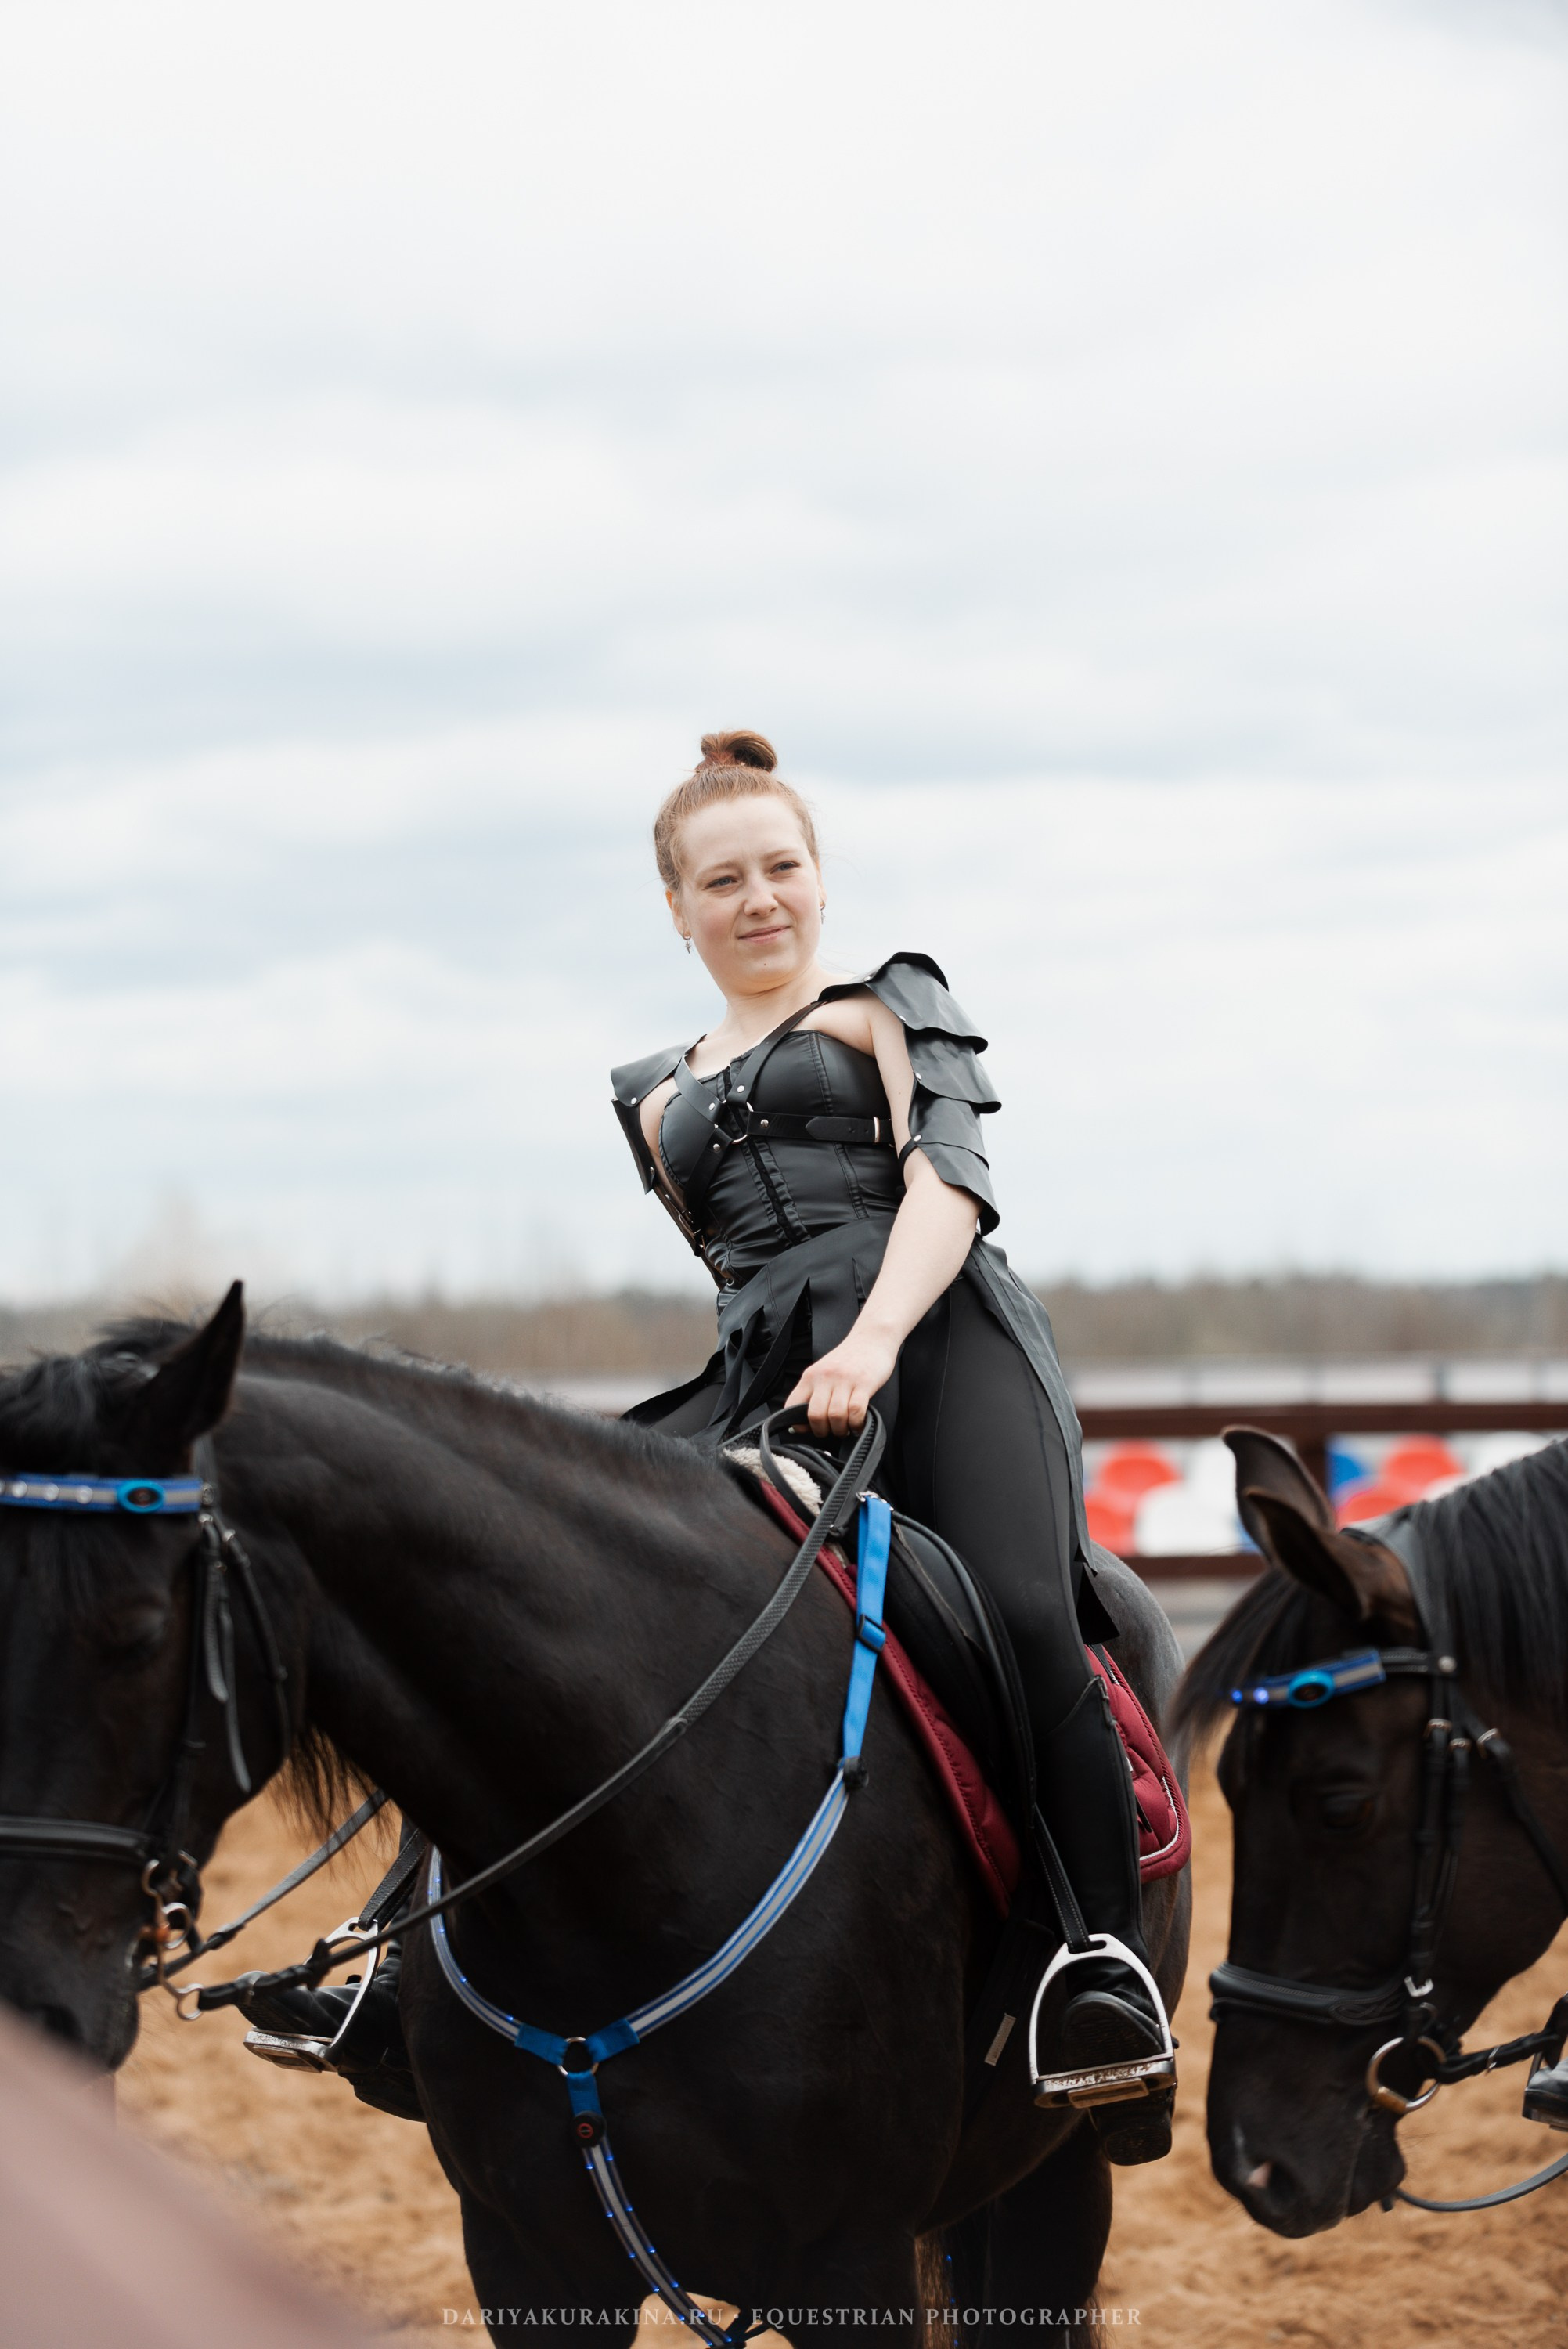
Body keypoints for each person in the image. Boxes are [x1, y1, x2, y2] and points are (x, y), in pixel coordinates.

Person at [608, 730, 1173, 2164]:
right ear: (675, 908)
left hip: (942, 1338)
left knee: (1029, 1613)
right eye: (721, 880)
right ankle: (398, 1951)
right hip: (766, 1378)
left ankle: (1099, 1970)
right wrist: (797, 1364)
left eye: (782, 867)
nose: (759, 900)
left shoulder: (887, 1006)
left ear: (817, 877)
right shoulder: (645, 1096)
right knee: (557, 1572)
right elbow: (733, 1271)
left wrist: (869, 1341)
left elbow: (951, 1188)